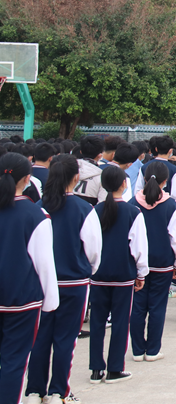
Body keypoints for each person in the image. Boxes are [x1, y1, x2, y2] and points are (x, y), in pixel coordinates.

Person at [25, 156, 102, 404]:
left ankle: (34, 391)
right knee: (65, 339)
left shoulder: (37, 207)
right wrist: (85, 269)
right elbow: (93, 252)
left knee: (39, 338)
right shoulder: (84, 210)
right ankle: (60, 391)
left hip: (40, 284)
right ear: (76, 177)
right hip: (74, 284)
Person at [0, 153, 59, 404]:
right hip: (21, 300)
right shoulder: (35, 215)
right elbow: (44, 263)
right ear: (27, 179)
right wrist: (50, 302)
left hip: (16, 299)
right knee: (14, 361)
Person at [88, 166, 148, 385]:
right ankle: (114, 368)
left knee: (97, 322)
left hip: (99, 275)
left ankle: (96, 369)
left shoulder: (94, 211)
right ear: (125, 183)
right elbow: (139, 248)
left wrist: (93, 268)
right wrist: (142, 273)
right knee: (121, 322)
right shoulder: (133, 212)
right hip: (123, 275)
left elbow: (89, 245)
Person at [129, 161, 176, 362]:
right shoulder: (172, 207)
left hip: (136, 266)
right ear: (166, 182)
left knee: (137, 307)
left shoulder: (131, 204)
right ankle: (152, 350)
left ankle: (137, 350)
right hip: (162, 264)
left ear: (143, 178)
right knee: (157, 307)